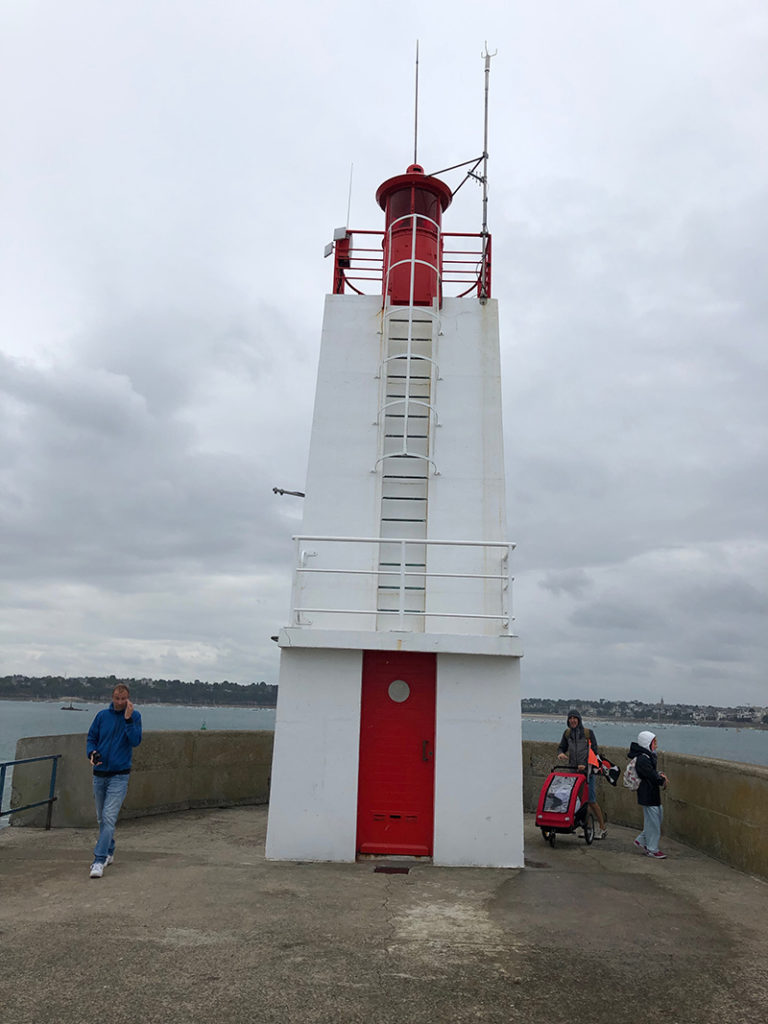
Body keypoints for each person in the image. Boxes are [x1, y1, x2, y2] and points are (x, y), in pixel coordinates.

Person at [86, 683, 142, 878]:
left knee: (109, 817)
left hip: (120, 775)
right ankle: (109, 850)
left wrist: (127, 720)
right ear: (112, 697)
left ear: (128, 698)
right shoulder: (102, 716)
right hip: (100, 774)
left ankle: (98, 860)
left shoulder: (135, 717)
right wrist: (91, 753)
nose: (119, 703)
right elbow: (91, 738)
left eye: (123, 699)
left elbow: (135, 740)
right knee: (102, 818)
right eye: (117, 699)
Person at [556, 709, 607, 839]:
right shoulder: (567, 734)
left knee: (591, 800)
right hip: (573, 773)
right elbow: (561, 747)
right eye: (570, 718)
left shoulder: (588, 733)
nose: (572, 720)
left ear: (579, 720)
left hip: (588, 772)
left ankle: (602, 828)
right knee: (579, 800)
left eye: (575, 718)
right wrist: (561, 753)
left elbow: (594, 752)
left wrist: (585, 764)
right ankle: (586, 827)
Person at [627, 730, 668, 860]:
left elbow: (651, 773)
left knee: (654, 819)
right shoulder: (643, 759)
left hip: (649, 794)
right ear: (648, 743)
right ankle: (652, 848)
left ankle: (642, 840)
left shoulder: (647, 757)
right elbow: (650, 775)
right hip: (648, 793)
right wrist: (661, 780)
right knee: (654, 822)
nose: (656, 745)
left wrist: (658, 775)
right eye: (654, 742)